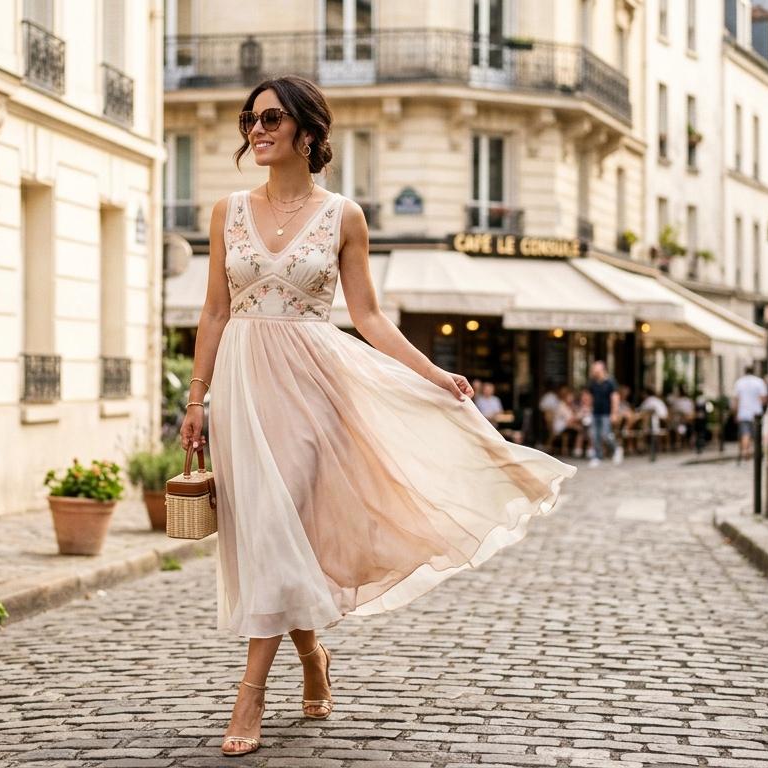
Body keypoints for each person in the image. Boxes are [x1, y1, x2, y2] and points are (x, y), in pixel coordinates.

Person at [177, 75, 576, 757]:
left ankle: (250, 694)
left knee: (277, 523)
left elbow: (368, 317)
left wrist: (431, 373)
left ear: (307, 132)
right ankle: (312, 655)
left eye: (271, 119)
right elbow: (214, 310)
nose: (256, 130)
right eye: (250, 120)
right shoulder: (227, 212)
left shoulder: (344, 216)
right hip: (243, 388)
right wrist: (195, 398)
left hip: (314, 386)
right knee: (268, 534)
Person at [586, 361, 622, 467]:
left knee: (606, 435)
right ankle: (597, 456)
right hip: (595, 413)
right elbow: (589, 397)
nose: (594, 372)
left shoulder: (610, 382)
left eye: (595, 370)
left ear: (602, 370)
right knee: (594, 435)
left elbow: (615, 398)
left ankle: (616, 449)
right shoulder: (592, 382)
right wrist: (588, 409)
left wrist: (614, 413)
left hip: (606, 413)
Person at [732, 365, 768, 460]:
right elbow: (764, 398)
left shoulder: (739, 382)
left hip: (743, 412)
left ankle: (745, 451)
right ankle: (756, 452)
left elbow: (736, 399)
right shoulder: (759, 381)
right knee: (757, 433)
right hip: (756, 412)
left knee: (745, 433)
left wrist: (735, 413)